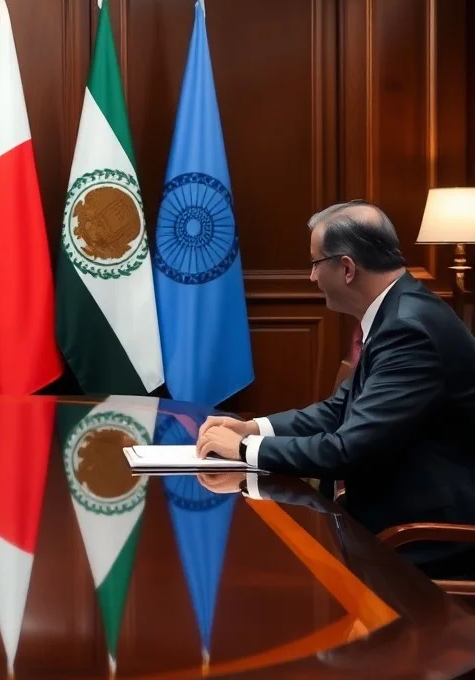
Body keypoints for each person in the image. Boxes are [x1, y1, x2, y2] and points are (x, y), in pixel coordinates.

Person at [196, 201, 475, 544]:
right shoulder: (399, 311)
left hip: (422, 536)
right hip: (384, 516)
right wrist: (253, 427)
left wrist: (244, 448)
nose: (312, 277)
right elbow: (338, 410)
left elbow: (347, 450)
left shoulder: (408, 329)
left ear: (347, 268)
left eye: (315, 263)